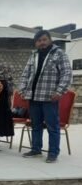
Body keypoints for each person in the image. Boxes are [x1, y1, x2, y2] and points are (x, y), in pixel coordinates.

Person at [19, 30, 72, 163]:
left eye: (44, 39)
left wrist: (59, 91)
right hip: (33, 96)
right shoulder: (34, 55)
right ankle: (36, 149)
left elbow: (66, 74)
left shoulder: (59, 54)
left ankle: (53, 153)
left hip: (49, 97)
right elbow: (25, 74)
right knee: (35, 125)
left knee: (52, 126)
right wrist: (22, 90)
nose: (41, 43)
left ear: (50, 40)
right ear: (36, 43)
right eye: (39, 41)